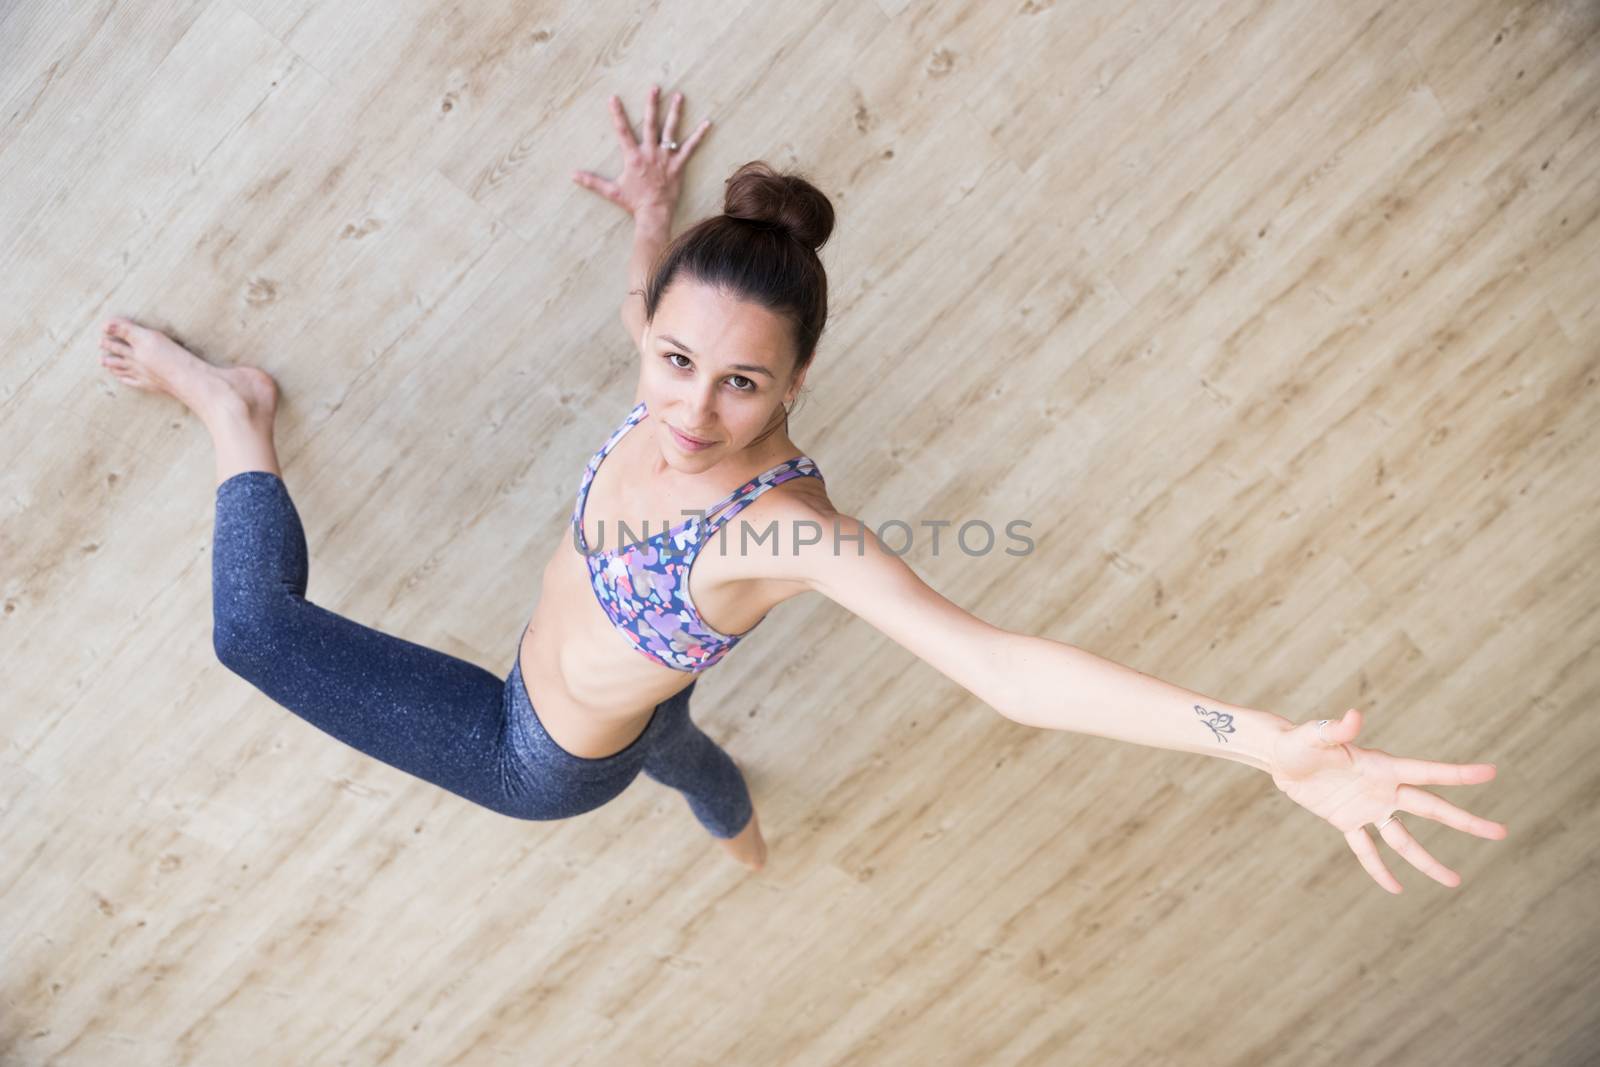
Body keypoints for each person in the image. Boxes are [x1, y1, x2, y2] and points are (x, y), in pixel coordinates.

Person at [97, 84, 1506, 889]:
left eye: (743, 385)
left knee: (254, 634)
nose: (694, 412)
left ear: (795, 389)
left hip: (532, 751)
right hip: (632, 690)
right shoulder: (673, 350)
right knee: (676, 742)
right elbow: (657, 314)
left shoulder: (783, 528)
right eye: (674, 362)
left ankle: (234, 412)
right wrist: (657, 213)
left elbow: (1004, 669)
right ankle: (730, 814)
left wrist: (1262, 743)